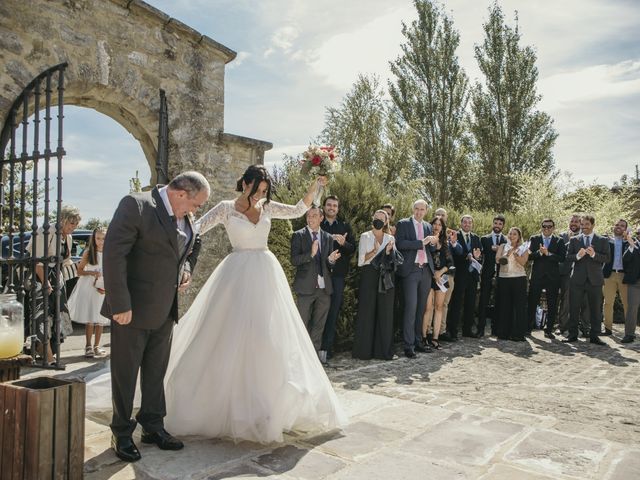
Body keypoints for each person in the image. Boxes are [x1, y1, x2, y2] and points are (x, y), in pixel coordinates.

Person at [163, 165, 346, 443]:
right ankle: (222, 401)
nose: (260, 194)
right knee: (229, 334)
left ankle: (265, 405)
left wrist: (316, 185)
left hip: (265, 273)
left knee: (266, 336)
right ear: (245, 183)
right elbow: (197, 228)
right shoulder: (226, 207)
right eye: (257, 189)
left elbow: (299, 209)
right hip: (236, 274)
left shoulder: (269, 207)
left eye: (264, 190)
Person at [101, 171, 209, 462]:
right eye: (196, 204)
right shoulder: (136, 205)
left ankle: (152, 426)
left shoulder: (185, 218)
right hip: (131, 311)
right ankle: (121, 432)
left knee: (156, 373)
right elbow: (113, 255)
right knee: (125, 373)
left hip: (165, 310)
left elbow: (191, 246)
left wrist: (186, 270)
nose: (195, 211)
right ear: (181, 193)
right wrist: (119, 304)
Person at [26, 205, 81, 364]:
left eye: (76, 224)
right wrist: (46, 283)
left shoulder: (68, 237)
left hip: (57, 279)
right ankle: (47, 355)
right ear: (62, 219)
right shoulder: (47, 231)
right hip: (41, 278)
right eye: (71, 223)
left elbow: (64, 261)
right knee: (42, 315)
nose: (74, 227)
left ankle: (48, 351)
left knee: (56, 315)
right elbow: (37, 260)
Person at [291, 206, 341, 363]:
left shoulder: (326, 237)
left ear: (321, 218)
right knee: (302, 324)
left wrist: (331, 260)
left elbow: (328, 263)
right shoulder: (298, 235)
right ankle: (299, 359)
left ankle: (312, 360)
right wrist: (310, 254)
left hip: (324, 288)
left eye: (314, 216)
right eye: (308, 216)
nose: (310, 218)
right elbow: (294, 260)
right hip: (305, 288)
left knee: (319, 325)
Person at [352, 210, 399, 360]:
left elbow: (395, 260)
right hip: (369, 275)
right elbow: (361, 261)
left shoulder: (390, 237)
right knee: (367, 311)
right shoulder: (365, 236)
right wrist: (375, 251)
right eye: (376, 218)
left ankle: (383, 351)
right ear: (372, 219)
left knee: (385, 313)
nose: (378, 220)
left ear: (386, 221)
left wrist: (388, 252)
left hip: (385, 276)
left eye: (382, 218)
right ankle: (363, 352)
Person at [395, 199, 435, 358]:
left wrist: (433, 243)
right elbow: (400, 244)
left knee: (421, 309)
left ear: (426, 211)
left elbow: (429, 248)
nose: (419, 212)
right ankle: (408, 345)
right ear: (413, 209)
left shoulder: (428, 226)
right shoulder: (403, 223)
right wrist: (421, 243)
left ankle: (418, 342)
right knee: (411, 308)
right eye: (416, 209)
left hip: (425, 270)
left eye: (422, 209)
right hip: (410, 270)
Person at [563, 215, 610, 345]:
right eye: (582, 224)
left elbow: (607, 258)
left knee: (595, 309)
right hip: (577, 280)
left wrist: (594, 254)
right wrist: (578, 255)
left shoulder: (602, 240)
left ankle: (594, 336)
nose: (583, 226)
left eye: (586, 224)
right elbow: (568, 257)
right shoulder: (574, 240)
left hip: (595, 280)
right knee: (574, 308)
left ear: (593, 225)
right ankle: (572, 335)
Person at [320, 195, 355, 361]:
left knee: (333, 311)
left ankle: (326, 348)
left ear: (338, 209)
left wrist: (343, 243)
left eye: (335, 205)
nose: (332, 208)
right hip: (319, 274)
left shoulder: (344, 226)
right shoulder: (317, 224)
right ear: (324, 207)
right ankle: (314, 346)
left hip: (338, 277)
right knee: (318, 311)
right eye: (329, 205)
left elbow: (352, 248)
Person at [68, 227, 109, 358]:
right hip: (89, 286)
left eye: (103, 238)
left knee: (100, 318)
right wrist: (92, 273)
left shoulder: (110, 252)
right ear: (94, 238)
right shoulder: (88, 252)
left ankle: (97, 346)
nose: (101, 241)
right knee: (90, 317)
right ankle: (88, 346)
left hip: (103, 287)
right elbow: (79, 271)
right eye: (98, 238)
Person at [421, 215, 456, 349]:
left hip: (441, 278)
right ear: (431, 225)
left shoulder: (445, 242)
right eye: (435, 224)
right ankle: (424, 337)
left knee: (439, 307)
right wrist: (433, 274)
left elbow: (450, 262)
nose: (436, 226)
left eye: (439, 224)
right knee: (427, 308)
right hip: (428, 277)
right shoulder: (427, 239)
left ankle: (435, 338)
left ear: (442, 228)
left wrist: (440, 273)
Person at [527, 219, 566, 339]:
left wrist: (548, 254)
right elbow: (529, 256)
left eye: (549, 227)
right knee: (532, 302)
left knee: (552, 304)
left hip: (552, 277)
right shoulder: (534, 239)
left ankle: (549, 330)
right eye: (544, 226)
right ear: (541, 227)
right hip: (537, 276)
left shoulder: (559, 240)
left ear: (553, 228)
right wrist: (539, 252)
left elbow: (562, 258)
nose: (547, 229)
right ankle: (528, 328)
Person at [448, 215, 482, 339]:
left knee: (471, 303)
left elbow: (479, 255)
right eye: (465, 222)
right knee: (456, 303)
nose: (467, 224)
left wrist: (477, 258)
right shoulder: (454, 235)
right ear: (461, 223)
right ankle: (453, 331)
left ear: (472, 224)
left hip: (472, 275)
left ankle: (467, 330)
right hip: (459, 274)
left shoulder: (476, 238)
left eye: (469, 222)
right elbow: (453, 254)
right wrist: (466, 257)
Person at [495, 227, 530, 341]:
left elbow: (523, 262)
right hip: (504, 278)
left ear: (519, 236)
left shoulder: (524, 247)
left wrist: (515, 255)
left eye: (514, 234)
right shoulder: (502, 246)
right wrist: (507, 254)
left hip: (519, 278)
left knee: (518, 306)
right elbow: (497, 260)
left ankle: (517, 333)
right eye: (510, 234)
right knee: (505, 305)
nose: (511, 236)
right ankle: (503, 332)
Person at [478, 215, 507, 337]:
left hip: (502, 274)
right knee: (483, 301)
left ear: (503, 226)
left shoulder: (507, 240)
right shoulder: (484, 239)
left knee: (499, 301)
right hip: (486, 274)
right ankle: (480, 328)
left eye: (500, 224)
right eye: (496, 223)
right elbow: (480, 256)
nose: (497, 226)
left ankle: (496, 330)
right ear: (492, 224)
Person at [602, 219, 629, 335]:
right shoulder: (607, 241)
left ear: (626, 229)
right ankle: (608, 328)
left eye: (622, 226)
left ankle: (629, 330)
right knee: (608, 302)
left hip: (625, 276)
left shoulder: (629, 242)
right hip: (609, 274)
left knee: (627, 303)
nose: (619, 227)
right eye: (617, 224)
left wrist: (629, 239)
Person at [622, 229, 640, 343]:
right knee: (632, 308)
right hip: (635, 282)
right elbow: (625, 259)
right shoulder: (631, 244)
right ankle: (629, 334)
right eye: (638, 233)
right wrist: (632, 246)